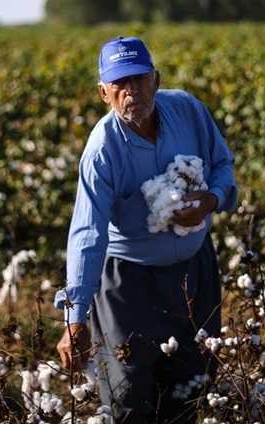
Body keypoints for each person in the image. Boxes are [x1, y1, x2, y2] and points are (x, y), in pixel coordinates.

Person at [54, 36, 238, 423]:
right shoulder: (103, 149)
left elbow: (223, 164)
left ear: (156, 79)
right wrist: (75, 319)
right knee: (128, 393)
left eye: (139, 79)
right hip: (128, 282)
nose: (131, 92)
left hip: (196, 271)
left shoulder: (187, 111)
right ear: (104, 93)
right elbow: (88, 234)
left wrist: (212, 199)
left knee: (193, 383)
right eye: (119, 84)